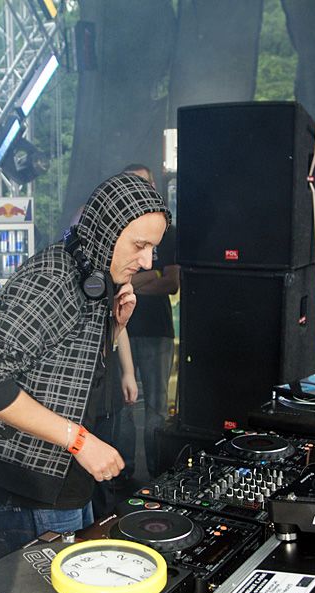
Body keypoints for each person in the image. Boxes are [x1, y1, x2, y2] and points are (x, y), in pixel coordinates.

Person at [0, 172, 170, 549]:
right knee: (50, 587)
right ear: (107, 229)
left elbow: (68, 365)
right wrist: (81, 442)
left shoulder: (95, 272)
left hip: (64, 474)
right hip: (30, 483)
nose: (146, 261)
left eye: (152, 248)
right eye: (140, 245)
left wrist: (115, 327)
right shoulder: (51, 278)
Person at [117, 163, 180, 480]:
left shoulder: (167, 232)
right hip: (122, 330)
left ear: (153, 187)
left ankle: (157, 475)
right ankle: (122, 473)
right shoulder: (118, 231)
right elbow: (113, 283)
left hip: (156, 330)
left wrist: (132, 283)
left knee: (156, 405)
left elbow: (171, 282)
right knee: (123, 405)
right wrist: (150, 275)